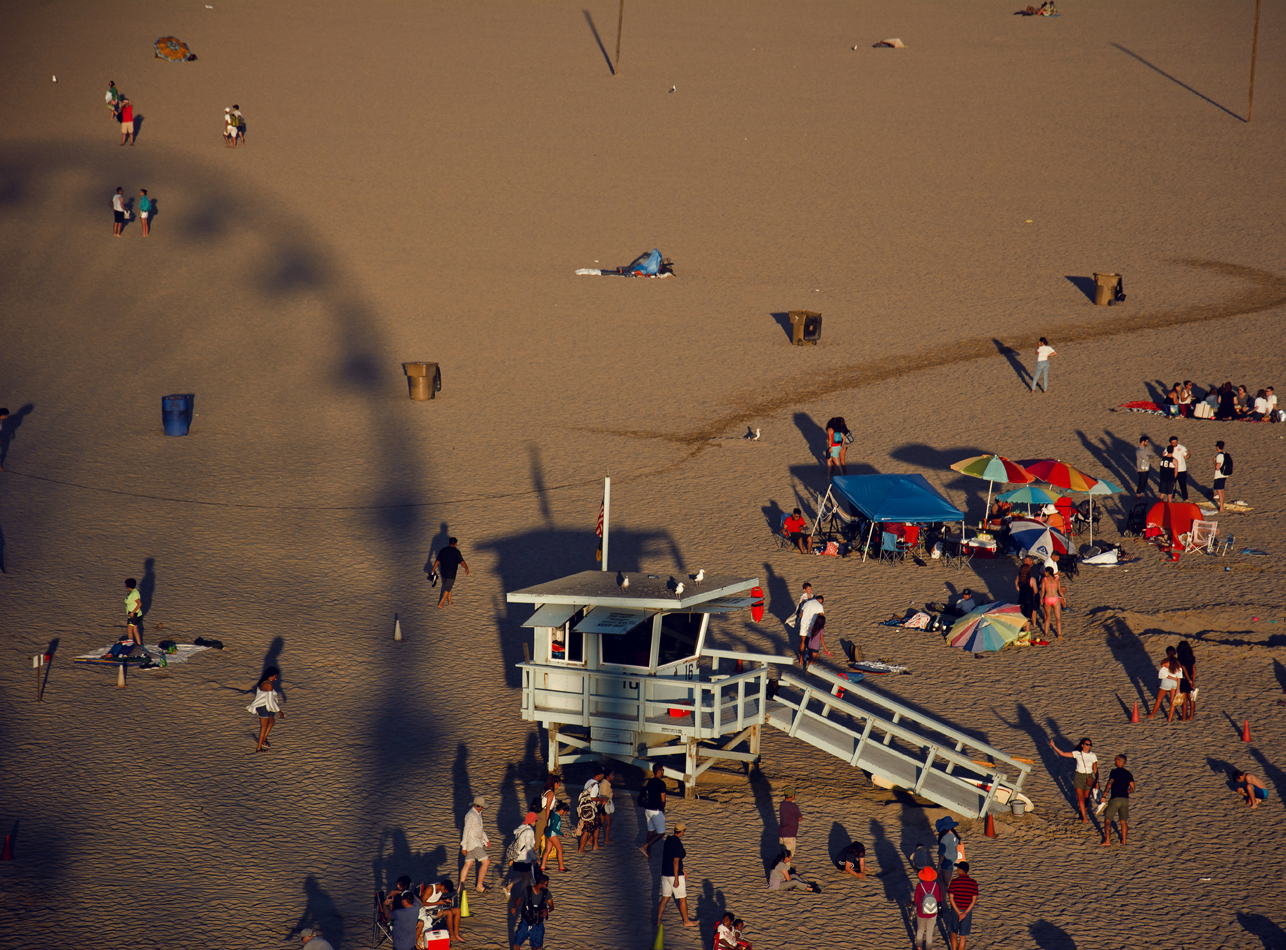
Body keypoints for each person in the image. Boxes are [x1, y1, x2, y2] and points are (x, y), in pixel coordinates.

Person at [656, 823, 697, 928]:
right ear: (682, 831)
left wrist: (682, 869)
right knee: (682, 898)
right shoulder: (678, 844)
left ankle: (658, 921)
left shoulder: (668, 841)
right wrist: (677, 879)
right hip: (674, 875)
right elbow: (675, 862)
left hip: (665, 874)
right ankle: (686, 921)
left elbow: (670, 858)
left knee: (665, 898)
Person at [1049, 737, 1097, 822]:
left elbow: (1095, 769)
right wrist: (1053, 746)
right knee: (1080, 798)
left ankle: (1083, 813)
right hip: (1078, 776)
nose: (1088, 746)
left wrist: (1097, 781)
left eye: (1090, 744)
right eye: (1087, 744)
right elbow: (1062, 753)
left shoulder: (1093, 755)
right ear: (1082, 745)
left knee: (1086, 798)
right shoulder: (1077, 753)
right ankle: (1084, 817)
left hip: (1089, 777)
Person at [509, 871, 553, 950]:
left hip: (538, 923)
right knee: (517, 944)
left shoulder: (546, 893)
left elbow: (551, 905)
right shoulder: (527, 890)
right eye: (546, 884)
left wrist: (547, 910)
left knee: (537, 946)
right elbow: (518, 899)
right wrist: (515, 907)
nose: (547, 886)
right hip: (525, 922)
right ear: (540, 884)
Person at [247, 666, 286, 752]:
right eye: (275, 677)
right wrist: (279, 711)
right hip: (263, 708)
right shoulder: (268, 685)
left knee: (272, 721)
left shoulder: (262, 682)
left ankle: (264, 739)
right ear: (271, 676)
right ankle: (259, 748)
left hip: (261, 707)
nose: (275, 679)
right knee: (263, 729)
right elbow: (270, 701)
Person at [1100, 754, 1134, 845]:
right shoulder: (1128, 773)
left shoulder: (1114, 772)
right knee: (1123, 821)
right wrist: (1126, 792)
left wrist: (1104, 795)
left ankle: (1107, 840)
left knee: (1107, 819)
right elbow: (1133, 788)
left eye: (1116, 759)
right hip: (1125, 800)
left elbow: (1109, 783)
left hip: (1115, 799)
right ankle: (1124, 840)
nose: (1114, 760)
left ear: (1119, 761)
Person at [460, 795, 491, 893]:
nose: (480, 808)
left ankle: (460, 887)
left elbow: (479, 830)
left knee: (468, 863)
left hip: (474, 842)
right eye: (478, 806)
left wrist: (486, 840)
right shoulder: (471, 815)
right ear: (474, 805)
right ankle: (479, 886)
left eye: (482, 806)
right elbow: (466, 831)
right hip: (474, 843)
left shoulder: (478, 814)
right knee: (486, 862)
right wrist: (464, 846)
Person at [504, 812, 539, 896]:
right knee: (527, 878)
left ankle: (509, 886)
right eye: (535, 820)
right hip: (524, 859)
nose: (536, 822)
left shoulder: (521, 828)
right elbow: (528, 847)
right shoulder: (529, 832)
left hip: (517, 857)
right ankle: (522, 896)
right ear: (531, 821)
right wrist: (534, 858)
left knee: (522, 875)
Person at [946, 861, 978, 950]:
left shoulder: (954, 882)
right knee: (963, 936)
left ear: (960, 870)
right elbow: (973, 900)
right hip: (967, 910)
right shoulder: (973, 883)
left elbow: (951, 899)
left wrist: (958, 912)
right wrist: (964, 913)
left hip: (956, 909)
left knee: (953, 932)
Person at [417, 879, 461, 943]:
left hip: (436, 907)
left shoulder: (440, 888)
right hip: (428, 910)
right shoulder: (430, 889)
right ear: (443, 887)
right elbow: (422, 903)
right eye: (445, 891)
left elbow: (435, 900)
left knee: (457, 910)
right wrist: (438, 903)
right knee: (449, 912)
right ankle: (452, 936)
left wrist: (445, 900)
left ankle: (456, 934)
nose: (445, 893)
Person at [432, 537, 470, 608]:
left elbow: (437, 561)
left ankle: (449, 601)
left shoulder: (443, 550)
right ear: (455, 544)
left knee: (448, 586)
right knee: (447, 588)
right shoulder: (456, 552)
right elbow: (462, 562)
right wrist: (466, 568)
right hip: (451, 573)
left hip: (443, 572)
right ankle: (441, 604)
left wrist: (433, 569)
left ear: (449, 543)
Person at [1149, 646, 1185, 722]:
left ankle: (1152, 715)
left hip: (1166, 682)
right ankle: (1169, 719)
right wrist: (1178, 688)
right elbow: (1179, 676)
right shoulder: (1177, 663)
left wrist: (1170, 677)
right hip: (1175, 683)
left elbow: (1163, 674)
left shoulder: (1164, 662)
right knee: (1172, 702)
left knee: (1159, 700)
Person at [639, 762, 667, 857]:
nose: (663, 772)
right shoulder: (661, 784)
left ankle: (648, 852)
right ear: (659, 771)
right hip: (656, 810)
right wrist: (663, 809)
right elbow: (663, 799)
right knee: (661, 833)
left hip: (647, 809)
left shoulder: (650, 781)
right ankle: (645, 846)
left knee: (650, 831)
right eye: (662, 770)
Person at [910, 867, 942, 950]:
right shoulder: (937, 885)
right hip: (933, 912)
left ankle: (919, 947)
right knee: (929, 932)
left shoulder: (919, 886)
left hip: (921, 912)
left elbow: (916, 900)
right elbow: (939, 899)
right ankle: (928, 948)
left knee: (920, 930)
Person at [539, 801, 567, 872]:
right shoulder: (557, 817)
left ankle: (542, 866)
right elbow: (554, 828)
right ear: (562, 810)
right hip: (553, 835)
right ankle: (561, 867)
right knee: (560, 850)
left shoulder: (552, 814)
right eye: (565, 812)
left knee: (547, 850)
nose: (564, 814)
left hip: (547, 834)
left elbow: (549, 824)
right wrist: (562, 834)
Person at [796, 594, 824, 665]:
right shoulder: (820, 606)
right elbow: (821, 617)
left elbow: (800, 615)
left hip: (803, 624)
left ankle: (801, 660)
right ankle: (809, 659)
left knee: (802, 642)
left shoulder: (807, 603)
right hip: (811, 626)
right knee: (810, 643)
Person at [935, 817, 961, 891]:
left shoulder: (945, 838)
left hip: (946, 862)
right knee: (947, 884)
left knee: (945, 884)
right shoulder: (955, 836)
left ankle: (946, 900)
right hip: (953, 861)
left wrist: (939, 865)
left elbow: (942, 854)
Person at [1039, 567, 1064, 640]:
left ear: (1047, 572)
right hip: (1055, 598)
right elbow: (1060, 591)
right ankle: (1059, 634)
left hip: (1047, 598)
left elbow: (1043, 591)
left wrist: (1041, 599)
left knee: (1048, 617)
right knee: (1058, 618)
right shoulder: (1056, 580)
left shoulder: (1044, 579)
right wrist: (1063, 598)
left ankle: (1046, 633)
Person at [778, 786, 801, 862]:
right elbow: (800, 818)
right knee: (788, 855)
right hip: (790, 834)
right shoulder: (793, 806)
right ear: (792, 796)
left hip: (782, 833)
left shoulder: (781, 805)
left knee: (782, 854)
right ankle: (785, 872)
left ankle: (781, 870)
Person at [1176, 640, 1197, 720]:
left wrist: (1189, 680)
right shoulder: (1191, 658)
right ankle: (1191, 716)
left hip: (1184, 680)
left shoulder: (1181, 658)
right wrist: (1193, 681)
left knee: (1184, 700)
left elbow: (1184, 670)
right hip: (1191, 678)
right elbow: (1194, 670)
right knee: (1191, 699)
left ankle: (1184, 717)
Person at [597, 765, 615, 846]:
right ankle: (591, 840)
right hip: (604, 807)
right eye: (612, 775)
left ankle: (606, 839)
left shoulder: (606, 783)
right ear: (608, 776)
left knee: (607, 822)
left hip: (605, 806)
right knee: (602, 823)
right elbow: (603, 796)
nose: (613, 777)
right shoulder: (604, 784)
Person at [124, 576, 143, 645]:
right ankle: (139, 644)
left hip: (134, 615)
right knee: (135, 630)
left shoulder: (133, 594)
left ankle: (130, 644)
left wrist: (132, 612)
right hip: (136, 614)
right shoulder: (134, 591)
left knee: (129, 630)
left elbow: (139, 604)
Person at [1212, 441, 1229, 513]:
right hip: (1224, 475)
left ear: (1217, 447)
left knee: (1219, 492)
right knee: (1222, 490)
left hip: (1219, 475)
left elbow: (1217, 467)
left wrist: (1214, 462)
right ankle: (1222, 505)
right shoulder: (1225, 454)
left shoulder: (1219, 456)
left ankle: (1221, 508)